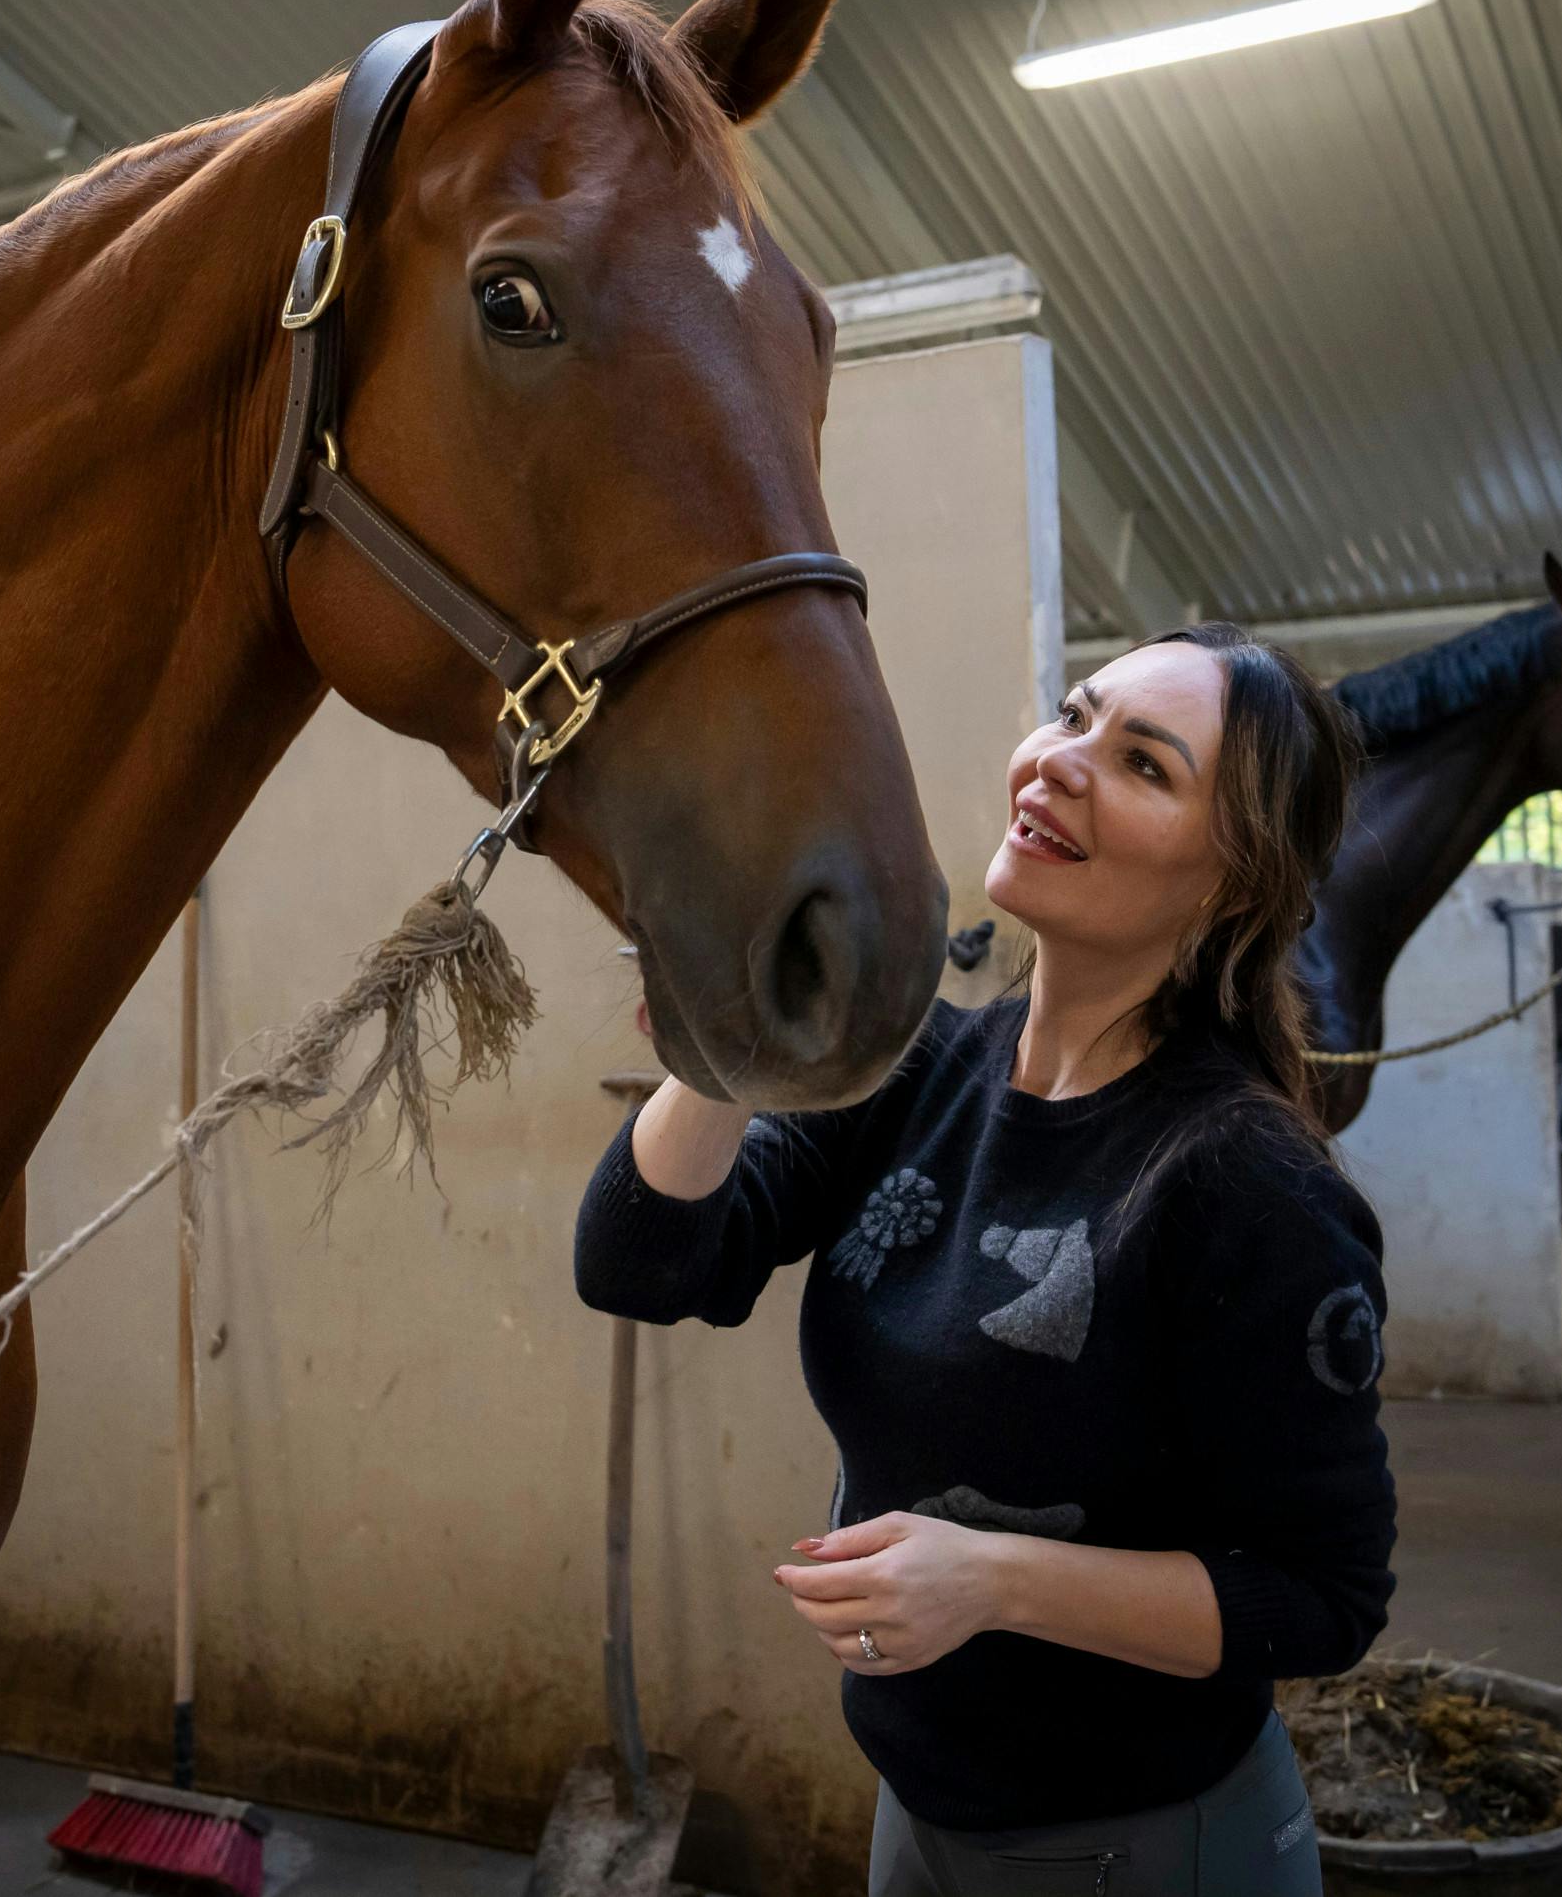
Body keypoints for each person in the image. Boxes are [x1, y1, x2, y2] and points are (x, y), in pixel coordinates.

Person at [574, 624, 1393, 1895]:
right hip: (920, 1813)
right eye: (1072, 715)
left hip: (1146, 1848)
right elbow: (646, 1264)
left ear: (1231, 885)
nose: (1059, 762)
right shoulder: (917, 1070)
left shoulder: (1248, 1186)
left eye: (1142, 763)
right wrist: (718, 1043)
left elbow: (1322, 1599)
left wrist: (994, 1581)